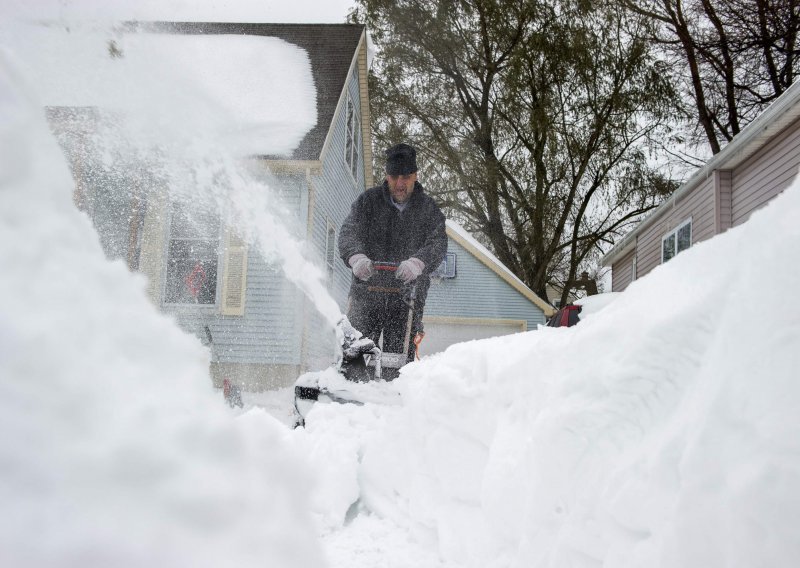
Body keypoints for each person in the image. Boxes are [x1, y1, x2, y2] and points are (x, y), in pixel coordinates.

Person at [338, 143, 447, 369]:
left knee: (398, 359)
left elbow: (438, 242)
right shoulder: (368, 202)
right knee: (356, 354)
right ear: (386, 176)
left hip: (407, 297)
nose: (400, 183)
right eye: (394, 177)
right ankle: (350, 397)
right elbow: (348, 232)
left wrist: (418, 262)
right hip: (366, 293)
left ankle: (395, 396)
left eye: (406, 177)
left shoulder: (428, 209)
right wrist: (356, 257)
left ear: (415, 176)